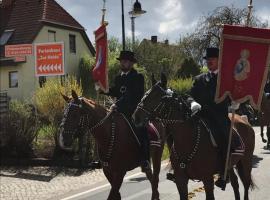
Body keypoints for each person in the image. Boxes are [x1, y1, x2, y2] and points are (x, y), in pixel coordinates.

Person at [188, 47, 239, 190]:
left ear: (218, 61)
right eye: (207, 59)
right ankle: (180, 168)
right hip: (200, 115)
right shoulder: (199, 79)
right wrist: (192, 102)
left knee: (223, 137)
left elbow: (234, 94)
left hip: (218, 117)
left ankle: (224, 174)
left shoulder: (226, 78)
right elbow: (190, 94)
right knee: (181, 132)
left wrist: (236, 102)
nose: (209, 61)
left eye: (212, 59)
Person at [100, 50, 150, 171]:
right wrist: (103, 89)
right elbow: (116, 91)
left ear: (131, 63)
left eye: (125, 61)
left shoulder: (138, 77)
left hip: (134, 111)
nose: (123, 63)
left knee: (142, 130)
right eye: (122, 61)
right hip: (119, 111)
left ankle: (145, 160)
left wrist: (117, 104)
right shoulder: (118, 78)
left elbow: (133, 96)